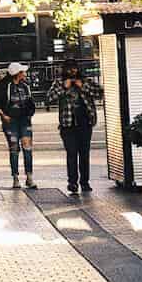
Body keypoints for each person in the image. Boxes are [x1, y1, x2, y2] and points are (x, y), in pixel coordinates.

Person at [48, 62, 100, 195]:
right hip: (68, 125)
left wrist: (82, 86)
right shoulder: (59, 83)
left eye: (74, 69)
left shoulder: (85, 81)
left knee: (84, 154)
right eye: (69, 69)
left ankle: (85, 182)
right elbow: (50, 98)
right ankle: (72, 182)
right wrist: (64, 88)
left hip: (85, 123)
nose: (72, 72)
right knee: (71, 153)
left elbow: (99, 93)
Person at [0, 61, 37, 189]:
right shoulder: (4, 86)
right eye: (22, 72)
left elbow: (30, 101)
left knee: (27, 147)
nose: (24, 74)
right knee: (14, 148)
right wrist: (4, 116)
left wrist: (29, 113)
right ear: (17, 74)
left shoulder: (25, 86)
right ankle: (15, 177)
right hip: (11, 121)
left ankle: (29, 176)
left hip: (24, 120)